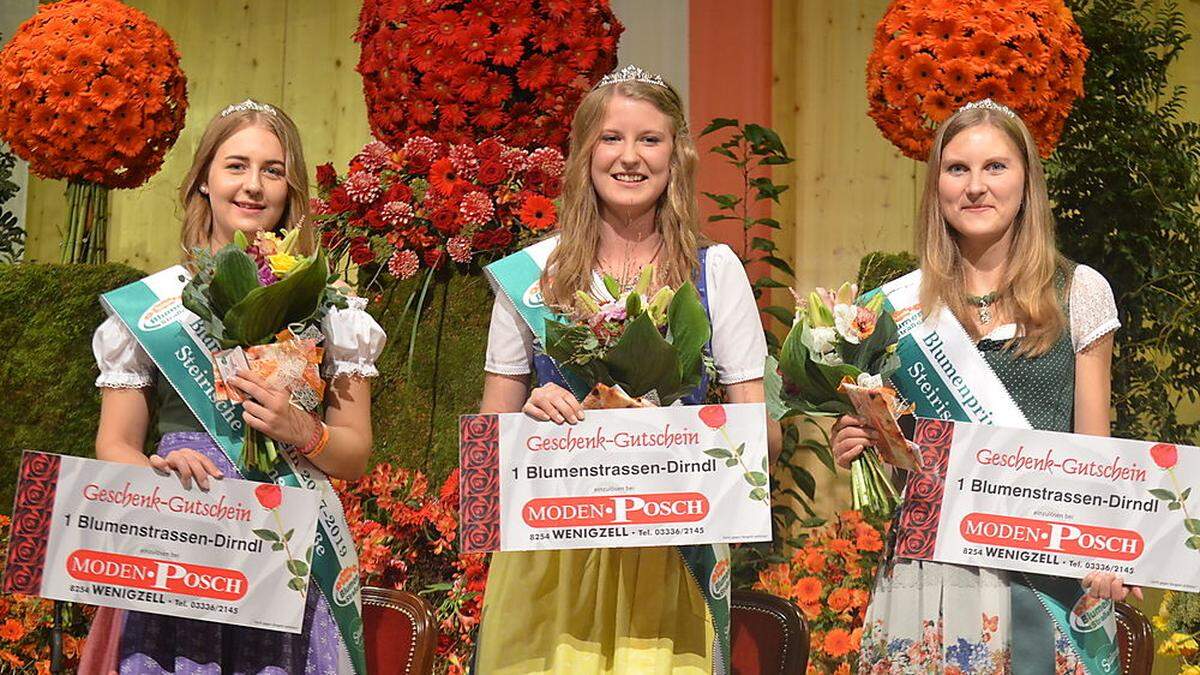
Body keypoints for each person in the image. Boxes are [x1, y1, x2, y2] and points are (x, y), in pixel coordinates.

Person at [474, 65, 781, 674]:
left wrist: (680, 430)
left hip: (673, 552)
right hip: (553, 553)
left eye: (650, 139)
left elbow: (762, 440)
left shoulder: (715, 273)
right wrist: (532, 425)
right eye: (611, 138)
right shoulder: (532, 277)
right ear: (585, 153)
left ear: (678, 155)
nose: (630, 157)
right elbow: (488, 452)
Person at [80, 99, 384, 674]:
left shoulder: (332, 311)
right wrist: (157, 476)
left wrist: (306, 431)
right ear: (204, 182)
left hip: (286, 545)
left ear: (291, 190)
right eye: (236, 166)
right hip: (183, 538)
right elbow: (114, 443)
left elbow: (356, 454)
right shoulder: (151, 309)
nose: (253, 186)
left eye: (273, 170)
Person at [835, 99, 1129, 674]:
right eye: (957, 169)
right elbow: (904, 463)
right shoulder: (890, 309)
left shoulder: (1079, 291)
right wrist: (857, 442)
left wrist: (1107, 549)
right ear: (936, 185)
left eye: (995, 167)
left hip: (1044, 568)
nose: (975, 187)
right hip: (929, 573)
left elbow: (1098, 452)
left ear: (1026, 180)